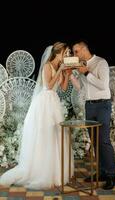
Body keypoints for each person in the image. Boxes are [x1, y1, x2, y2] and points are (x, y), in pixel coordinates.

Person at [0, 42, 74, 189]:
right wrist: (60, 70)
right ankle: (41, 171)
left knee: (56, 135)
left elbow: (63, 88)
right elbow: (48, 86)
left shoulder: (61, 67)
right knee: (45, 136)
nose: (68, 55)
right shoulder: (48, 66)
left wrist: (67, 74)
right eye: (66, 53)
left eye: (68, 53)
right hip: (45, 103)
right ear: (58, 53)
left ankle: (55, 171)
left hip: (54, 102)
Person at [71, 41, 115, 190]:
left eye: (76, 51)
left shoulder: (100, 62)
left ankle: (110, 175)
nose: (74, 55)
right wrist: (71, 75)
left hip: (103, 105)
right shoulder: (82, 65)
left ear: (84, 49)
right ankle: (101, 173)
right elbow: (81, 88)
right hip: (89, 105)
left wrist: (85, 72)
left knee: (103, 140)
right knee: (95, 141)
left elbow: (103, 85)